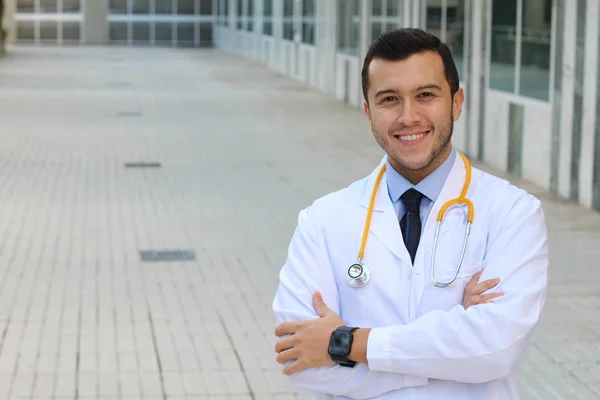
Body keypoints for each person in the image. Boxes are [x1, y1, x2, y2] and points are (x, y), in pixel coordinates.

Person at [271, 28, 548, 399]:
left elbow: (496, 351)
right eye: (389, 99)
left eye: (426, 95)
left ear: (457, 102)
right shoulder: (322, 221)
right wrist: (452, 354)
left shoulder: (513, 212)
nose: (409, 116)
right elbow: (302, 366)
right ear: (368, 112)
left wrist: (346, 342)